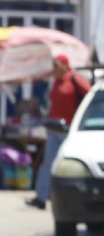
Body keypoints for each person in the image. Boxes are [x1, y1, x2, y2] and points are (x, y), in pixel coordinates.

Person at [28, 54, 92, 211]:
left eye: (57, 65)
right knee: (48, 163)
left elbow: (91, 97)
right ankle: (41, 197)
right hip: (54, 129)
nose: (54, 68)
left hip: (71, 131)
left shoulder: (74, 80)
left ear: (65, 65)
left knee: (72, 163)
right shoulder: (53, 83)